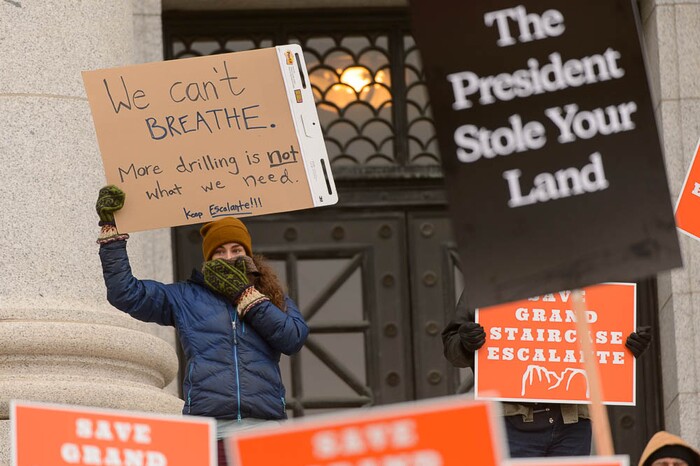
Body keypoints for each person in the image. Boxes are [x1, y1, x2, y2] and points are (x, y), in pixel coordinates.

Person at [95, 185, 309, 466]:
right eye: (220, 251)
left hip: (264, 432)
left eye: (236, 249)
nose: (229, 256)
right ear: (208, 258)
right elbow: (125, 293)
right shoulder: (185, 297)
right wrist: (112, 231)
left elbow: (292, 338)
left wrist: (245, 295)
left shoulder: (270, 297)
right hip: (211, 434)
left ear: (249, 253)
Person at [442, 290, 652, 458]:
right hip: (510, 423)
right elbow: (452, 347)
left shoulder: (585, 278)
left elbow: (604, 336)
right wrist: (465, 344)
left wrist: (627, 348)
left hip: (572, 427)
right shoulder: (487, 281)